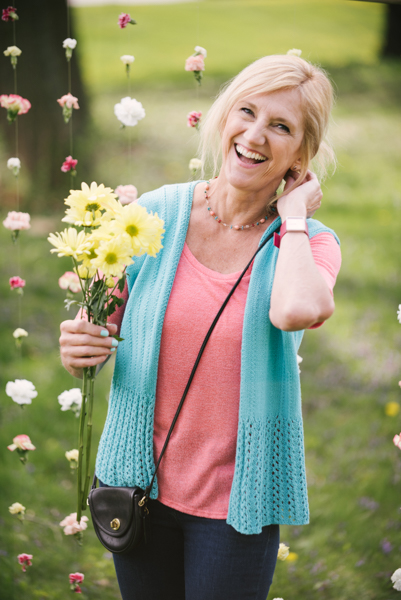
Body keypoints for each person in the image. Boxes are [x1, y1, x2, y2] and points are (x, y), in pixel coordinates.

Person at [59, 54, 341, 600]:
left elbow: (295, 310)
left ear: (301, 154)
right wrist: (77, 348)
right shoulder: (151, 216)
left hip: (237, 505)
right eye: (247, 112)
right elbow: (93, 327)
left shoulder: (308, 242)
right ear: (224, 116)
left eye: (280, 126)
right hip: (137, 487)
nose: (255, 136)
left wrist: (297, 217)